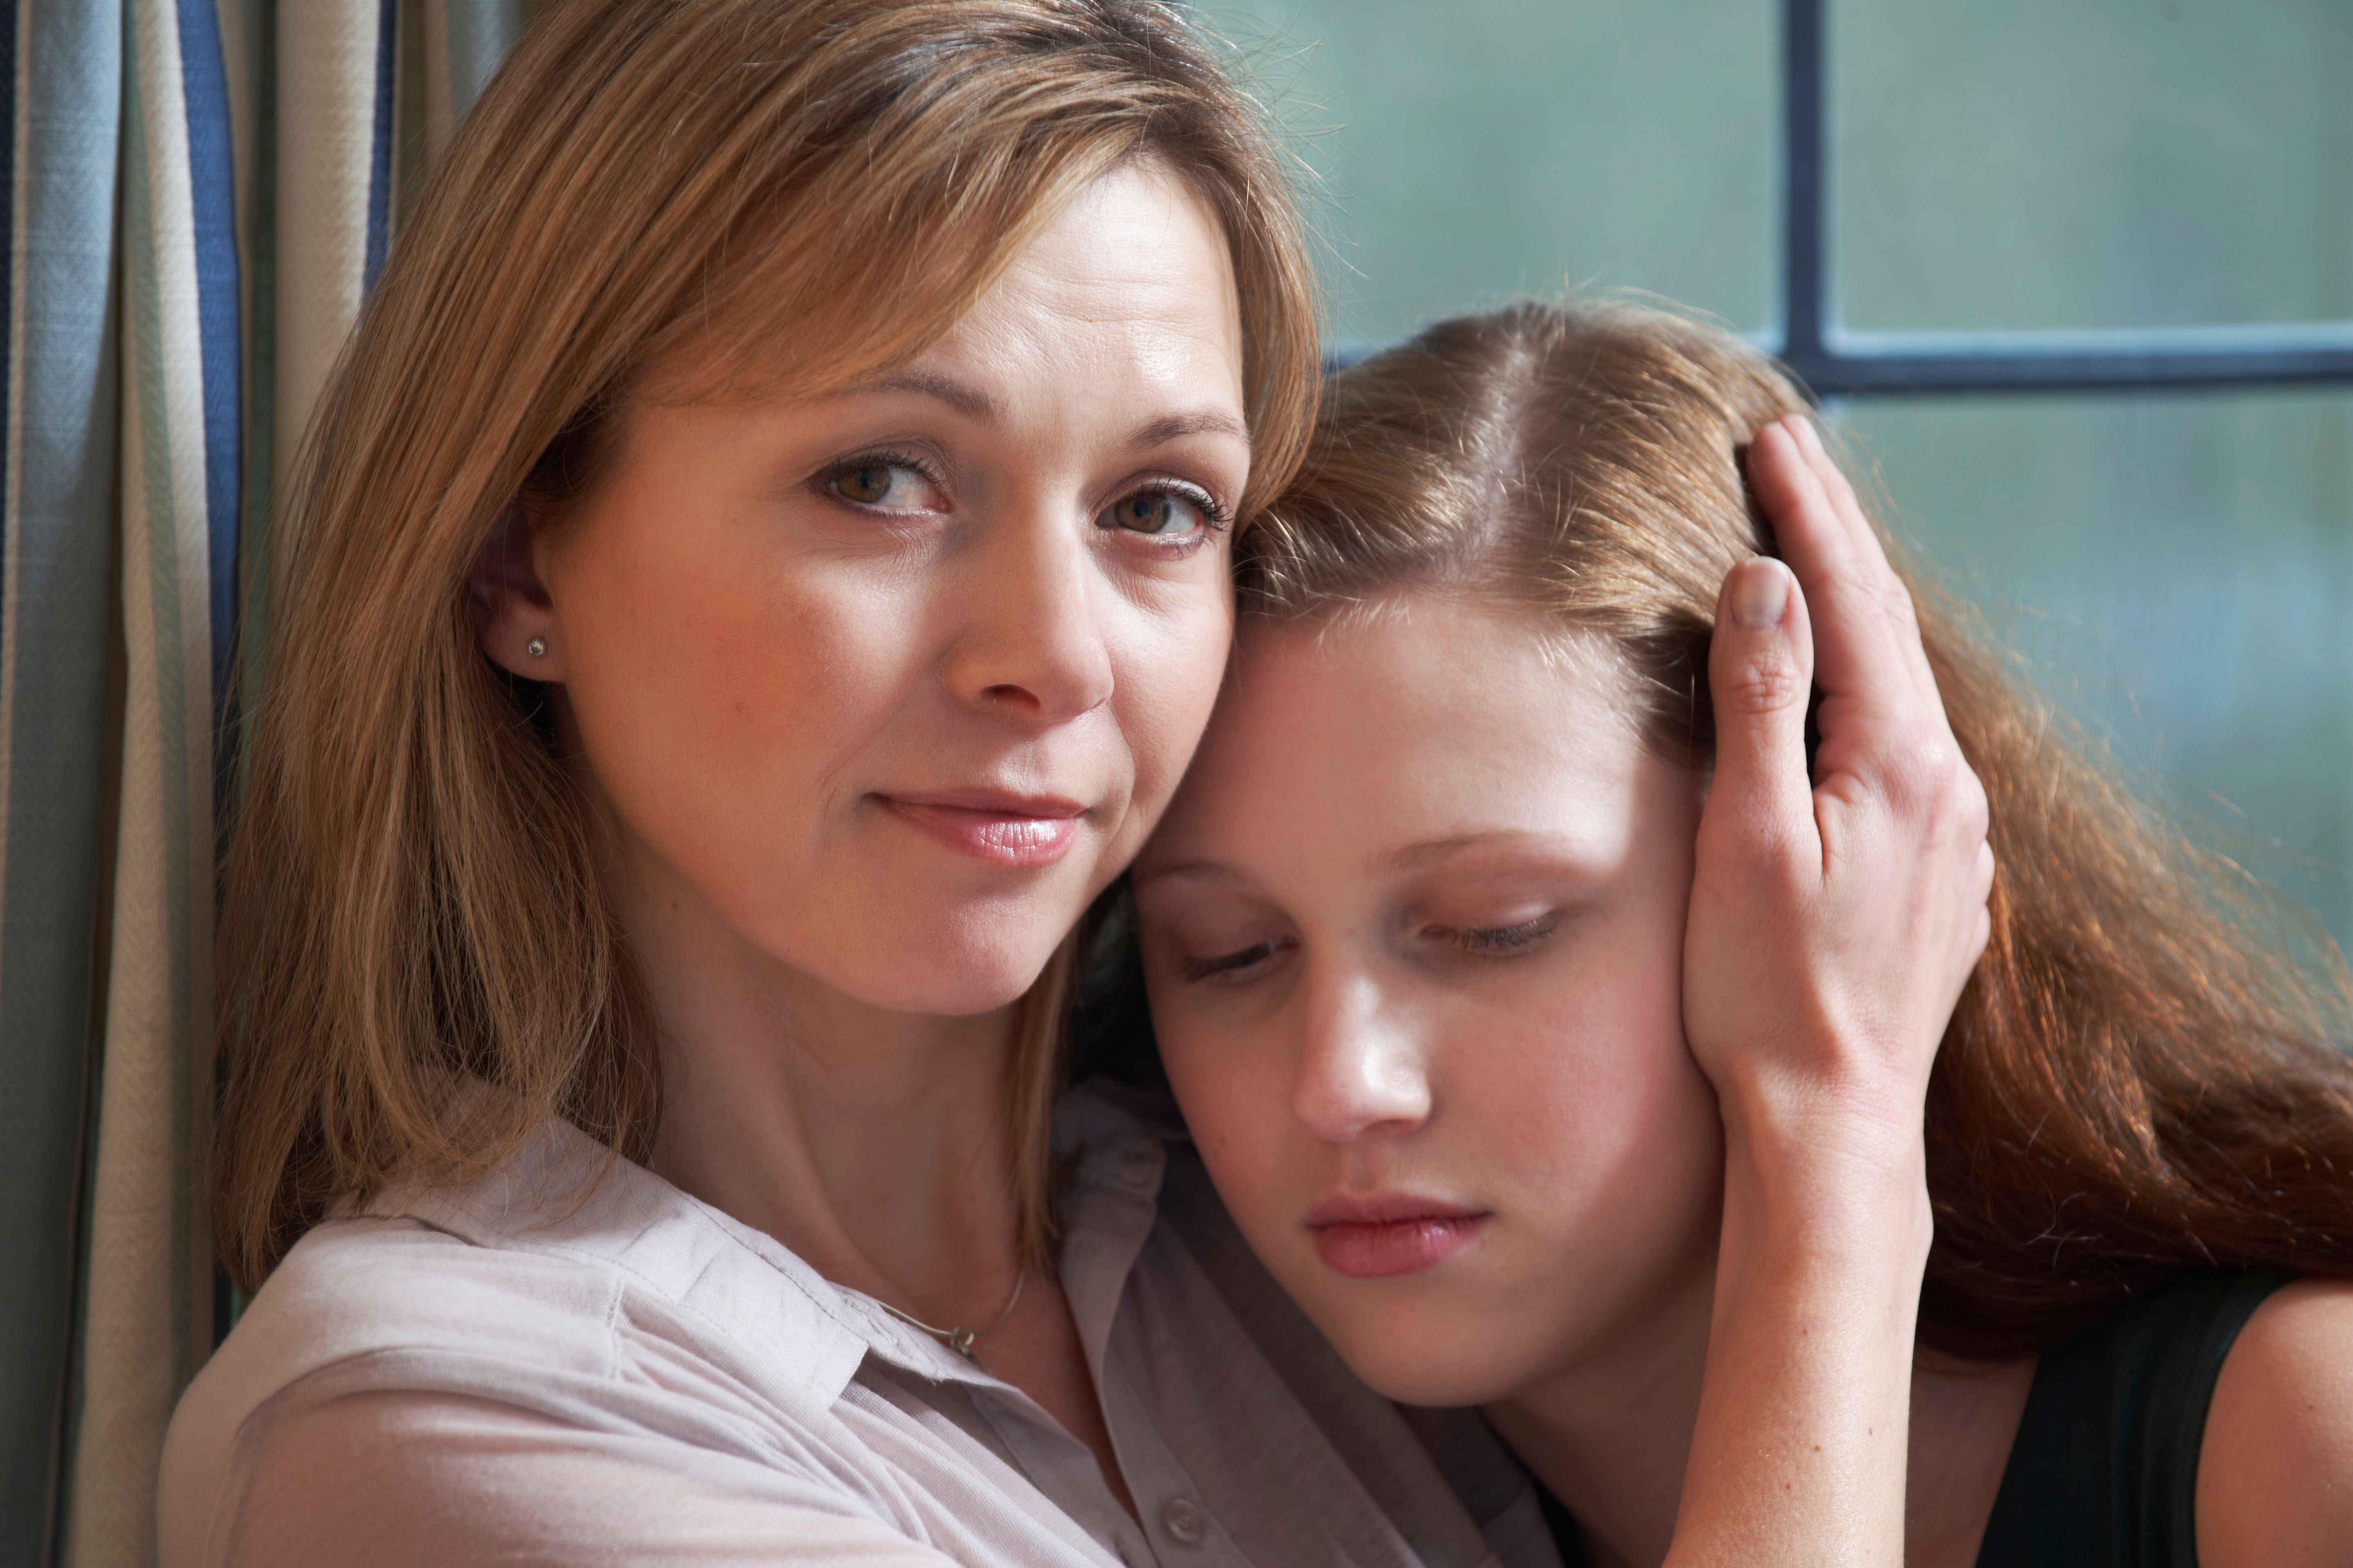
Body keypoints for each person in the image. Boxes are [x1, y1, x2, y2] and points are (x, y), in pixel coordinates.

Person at [161, 4, 1988, 1564]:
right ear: (517, 564)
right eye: (882, 478)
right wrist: (1833, 1163)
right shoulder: (433, 1425)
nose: (1055, 651)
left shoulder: (1308, 1229)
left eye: (1157, 507)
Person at [1132, 297, 2353, 1568]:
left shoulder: (2297, 1447)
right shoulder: (1218, 1480)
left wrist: (1831, 1122)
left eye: (1496, 929)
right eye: (1229, 952)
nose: (1341, 1086)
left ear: (1846, 875)